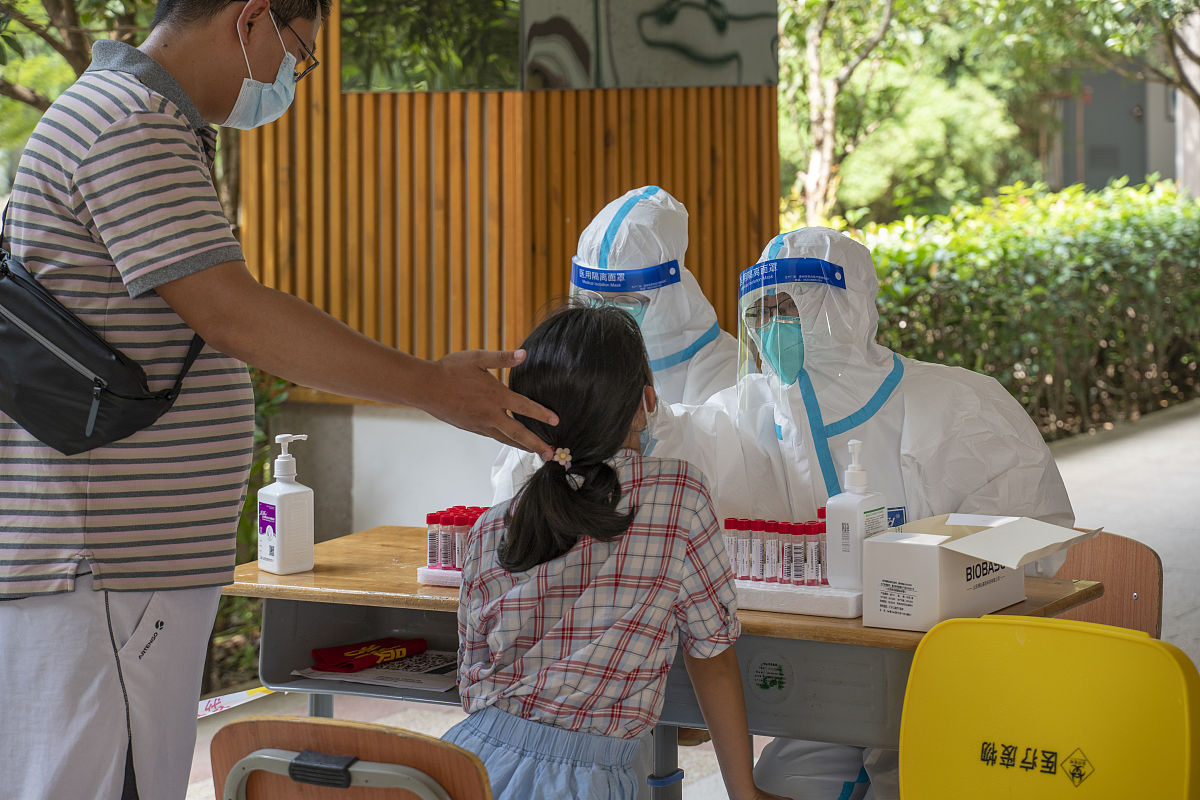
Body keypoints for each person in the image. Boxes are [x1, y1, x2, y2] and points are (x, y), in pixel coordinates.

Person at [0, 0, 555, 798]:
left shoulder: (137, 115)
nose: (292, 75)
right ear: (251, 18)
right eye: (300, 51)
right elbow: (237, 316)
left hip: (112, 568)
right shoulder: (130, 123)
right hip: (101, 565)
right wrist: (431, 387)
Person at [642, 226, 1075, 799]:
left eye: (790, 307)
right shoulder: (753, 413)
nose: (773, 327)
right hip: (835, 687)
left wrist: (926, 572)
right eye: (761, 311)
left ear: (845, 309)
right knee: (780, 784)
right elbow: (686, 446)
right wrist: (627, 413)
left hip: (954, 681)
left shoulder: (957, 406)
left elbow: (1033, 545)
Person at [446, 304, 786, 800]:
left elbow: (472, 678)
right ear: (647, 403)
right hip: (586, 779)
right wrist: (744, 793)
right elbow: (711, 655)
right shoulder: (679, 496)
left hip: (466, 765)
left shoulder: (492, 525)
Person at [491, 184, 740, 502]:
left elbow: (723, 470)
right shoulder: (572, 362)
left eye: (624, 301)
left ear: (667, 294)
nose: (605, 317)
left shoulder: (720, 363)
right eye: (593, 299)